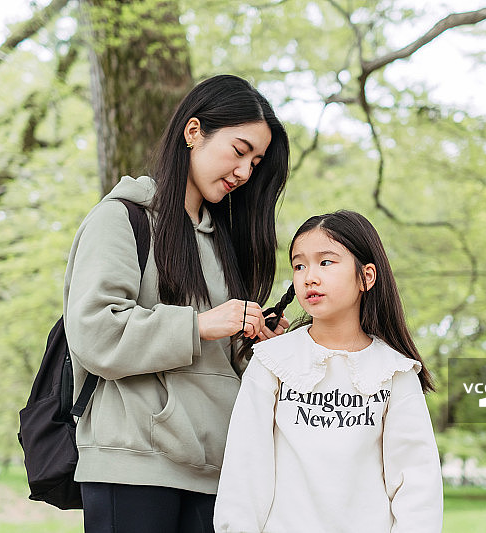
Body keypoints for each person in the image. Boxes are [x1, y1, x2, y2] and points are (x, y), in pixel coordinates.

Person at [63, 74, 290, 533]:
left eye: (256, 162)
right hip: (132, 464)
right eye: (239, 150)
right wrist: (200, 325)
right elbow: (95, 333)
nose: (245, 172)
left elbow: (215, 360)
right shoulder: (120, 219)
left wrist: (254, 344)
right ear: (193, 132)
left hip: (215, 468)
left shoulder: (226, 244)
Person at [213, 210, 443, 533]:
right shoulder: (271, 362)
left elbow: (417, 485)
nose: (309, 277)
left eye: (326, 262)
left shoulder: (395, 371)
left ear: (366, 277)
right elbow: (244, 471)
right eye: (299, 265)